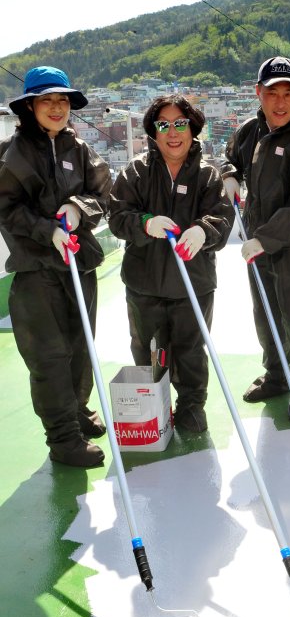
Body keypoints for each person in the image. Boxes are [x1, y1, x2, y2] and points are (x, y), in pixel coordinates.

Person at [0, 66, 112, 467]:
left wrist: (78, 209)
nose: (56, 107)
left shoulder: (78, 149)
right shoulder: (13, 153)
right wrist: (47, 229)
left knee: (81, 347)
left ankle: (77, 412)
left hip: (79, 264)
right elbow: (7, 209)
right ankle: (63, 439)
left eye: (62, 100)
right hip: (37, 270)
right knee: (49, 357)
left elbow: (103, 189)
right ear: (29, 106)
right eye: (47, 100)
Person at [108, 94, 233, 434]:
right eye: (164, 124)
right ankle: (154, 406)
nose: (173, 132)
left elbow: (222, 217)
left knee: (191, 351)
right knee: (149, 352)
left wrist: (203, 231)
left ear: (193, 128)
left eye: (181, 123)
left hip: (193, 283)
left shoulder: (209, 176)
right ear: (154, 131)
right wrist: (145, 223)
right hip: (144, 284)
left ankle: (192, 407)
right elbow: (117, 216)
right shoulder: (135, 172)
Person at [221, 56, 290, 423]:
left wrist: (265, 238)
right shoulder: (250, 130)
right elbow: (229, 157)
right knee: (265, 313)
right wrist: (230, 174)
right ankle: (277, 374)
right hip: (257, 242)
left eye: (288, 93)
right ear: (259, 93)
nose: (280, 102)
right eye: (272, 93)